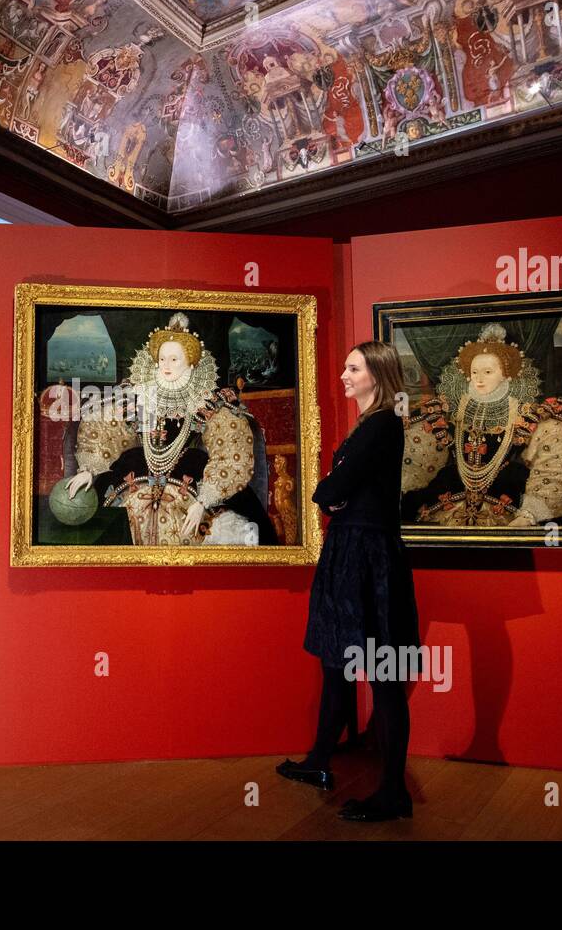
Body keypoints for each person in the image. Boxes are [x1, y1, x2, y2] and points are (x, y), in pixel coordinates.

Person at [276, 341, 420, 822]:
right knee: (337, 664)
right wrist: (334, 494)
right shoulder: (369, 425)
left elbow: (331, 488)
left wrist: (330, 492)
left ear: (376, 376)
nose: (343, 374)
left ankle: (393, 793)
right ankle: (320, 761)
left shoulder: (381, 424)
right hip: (353, 552)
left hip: (367, 557)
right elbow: (337, 491)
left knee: (382, 675)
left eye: (352, 368)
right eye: (345, 367)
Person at [66, 312, 277, 546]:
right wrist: (90, 468)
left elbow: (229, 448)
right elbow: (107, 428)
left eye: (174, 359)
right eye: (162, 359)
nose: (166, 365)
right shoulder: (137, 395)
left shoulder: (209, 402)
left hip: (193, 475)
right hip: (136, 471)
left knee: (212, 528)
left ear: (190, 362)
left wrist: (204, 501)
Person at [401, 323, 562, 528]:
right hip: (449, 494)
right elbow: (419, 457)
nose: (479, 379)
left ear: (506, 374)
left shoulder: (527, 415)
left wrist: (530, 513)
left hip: (507, 496)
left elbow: (554, 460)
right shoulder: (448, 413)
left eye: (488, 372)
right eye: (474, 372)